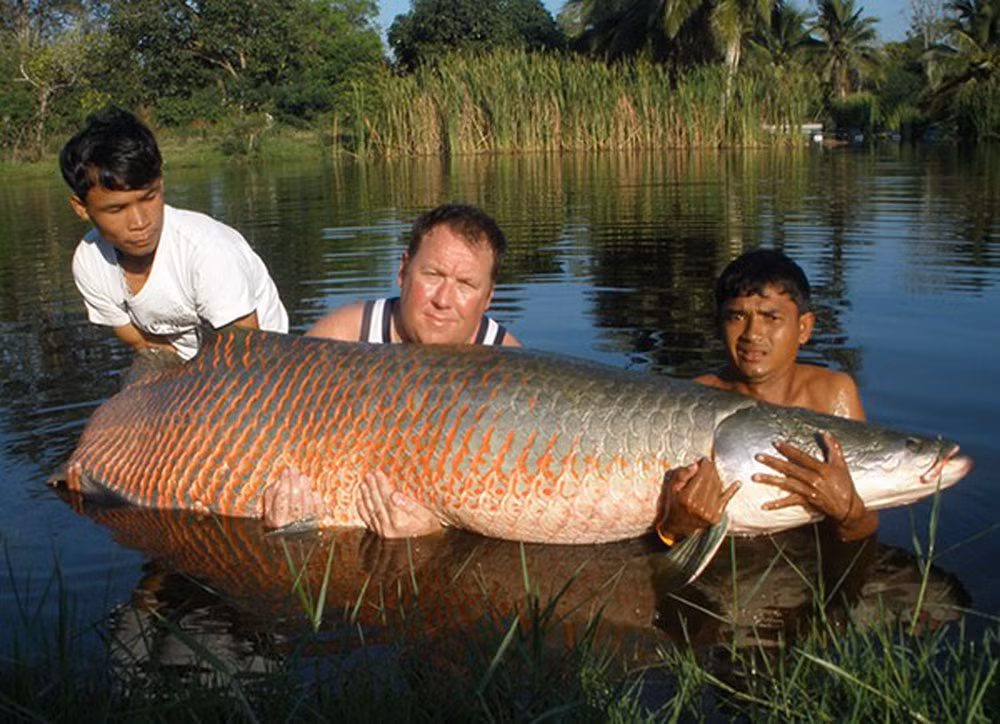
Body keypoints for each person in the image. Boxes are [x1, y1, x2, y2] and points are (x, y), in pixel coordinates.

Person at [261, 203, 519, 532]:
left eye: (466, 284)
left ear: (488, 297)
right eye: (433, 275)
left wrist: (438, 531)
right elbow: (273, 430)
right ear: (403, 272)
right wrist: (284, 503)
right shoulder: (344, 337)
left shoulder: (508, 365)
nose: (443, 299)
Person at [657, 248, 878, 544]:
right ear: (718, 325)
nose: (752, 333)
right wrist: (676, 527)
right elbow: (665, 527)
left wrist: (850, 514)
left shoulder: (834, 392)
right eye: (737, 316)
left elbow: (867, 522)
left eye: (771, 317)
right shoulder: (696, 398)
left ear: (804, 328)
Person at [60, 107, 288, 361]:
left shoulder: (208, 250)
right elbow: (137, 340)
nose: (140, 222)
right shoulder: (90, 262)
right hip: (185, 369)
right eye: (117, 209)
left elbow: (246, 355)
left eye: (149, 197)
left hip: (264, 362)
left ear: (161, 182)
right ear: (81, 208)